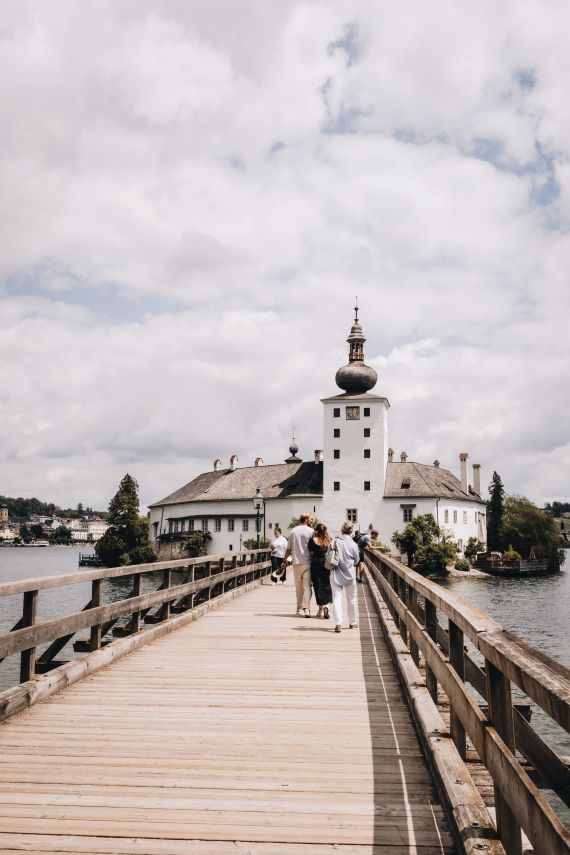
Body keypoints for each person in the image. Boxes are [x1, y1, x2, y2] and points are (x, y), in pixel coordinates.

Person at [330, 521, 361, 633]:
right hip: (350, 574)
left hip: (335, 573)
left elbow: (328, 556)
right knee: (351, 599)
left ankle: (338, 623)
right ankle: (352, 622)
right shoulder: (354, 544)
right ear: (351, 531)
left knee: (336, 598)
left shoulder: (334, 541)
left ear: (341, 530)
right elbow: (357, 561)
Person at [282, 512, 314, 617]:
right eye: (310, 519)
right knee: (307, 587)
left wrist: (284, 560)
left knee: (299, 587)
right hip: (308, 562)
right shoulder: (311, 531)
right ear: (305, 519)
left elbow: (288, 548)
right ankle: (307, 609)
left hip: (296, 563)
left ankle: (299, 608)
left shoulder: (293, 531)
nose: (312, 521)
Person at [308, 523, 332, 619]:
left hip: (315, 563)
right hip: (325, 563)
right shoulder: (328, 540)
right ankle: (326, 605)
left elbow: (311, 552)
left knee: (317, 586)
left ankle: (320, 609)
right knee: (326, 584)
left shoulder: (312, 540)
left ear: (316, 531)